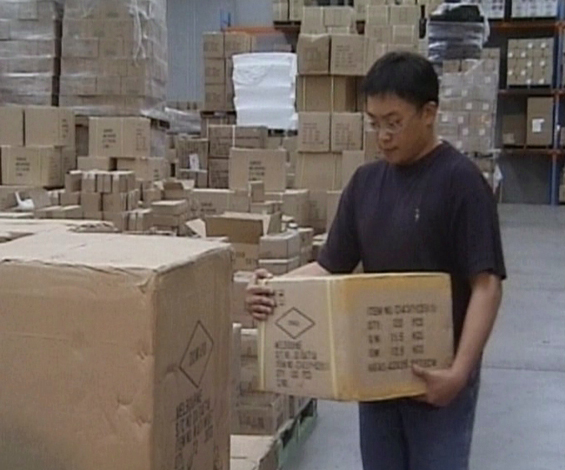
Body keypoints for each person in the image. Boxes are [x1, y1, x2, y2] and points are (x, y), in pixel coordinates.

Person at [245, 51, 506, 470]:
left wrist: (459, 373)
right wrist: (274, 291)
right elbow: (330, 266)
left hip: (438, 380)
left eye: (393, 122)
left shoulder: (461, 183)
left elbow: (486, 285)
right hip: (377, 376)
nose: (383, 135)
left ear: (429, 113)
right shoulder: (366, 184)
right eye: (374, 123)